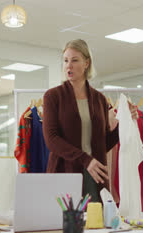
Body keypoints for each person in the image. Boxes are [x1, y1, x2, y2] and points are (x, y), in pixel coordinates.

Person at [43, 39, 138, 203]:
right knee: (66, 225)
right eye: (65, 60)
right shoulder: (53, 96)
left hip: (95, 174)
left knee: (96, 225)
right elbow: (51, 139)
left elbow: (103, 143)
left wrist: (124, 123)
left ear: (86, 63)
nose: (68, 66)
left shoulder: (99, 99)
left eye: (74, 60)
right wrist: (86, 160)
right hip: (65, 173)